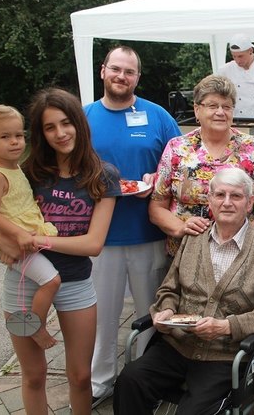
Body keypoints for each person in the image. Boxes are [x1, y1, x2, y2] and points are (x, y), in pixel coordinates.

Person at [0, 88, 120, 414]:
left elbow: (93, 245)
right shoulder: (28, 172)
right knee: (34, 375)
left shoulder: (103, 175)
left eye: (66, 123)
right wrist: (2, 242)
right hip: (23, 283)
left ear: (79, 124)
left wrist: (34, 240)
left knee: (81, 377)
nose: (60, 133)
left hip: (76, 284)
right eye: (49, 127)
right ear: (41, 133)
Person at [113, 168, 254, 413]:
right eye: (220, 195)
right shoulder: (194, 237)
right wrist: (164, 311)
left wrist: (227, 326)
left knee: (192, 411)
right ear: (210, 201)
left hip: (226, 355)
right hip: (177, 346)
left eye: (236, 196)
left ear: (250, 203)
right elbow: (169, 289)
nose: (227, 203)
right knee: (130, 380)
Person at [83, 45, 181, 406]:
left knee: (150, 315)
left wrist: (158, 179)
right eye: (116, 69)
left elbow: (179, 165)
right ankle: (101, 381)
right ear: (103, 71)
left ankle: (143, 382)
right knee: (101, 316)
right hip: (99, 237)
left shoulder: (157, 117)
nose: (122, 77)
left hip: (148, 234)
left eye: (130, 72)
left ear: (138, 77)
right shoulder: (83, 116)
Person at [149, 74, 254, 258]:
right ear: (196, 109)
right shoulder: (177, 148)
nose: (220, 112)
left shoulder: (253, 148)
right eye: (212, 106)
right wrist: (180, 227)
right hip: (185, 256)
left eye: (226, 106)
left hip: (240, 256)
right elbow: (156, 208)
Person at [0, 105, 61, 350]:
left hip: (24, 236)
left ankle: (31, 323)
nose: (15, 142)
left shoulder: (14, 168)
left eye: (19, 135)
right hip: (17, 240)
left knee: (42, 283)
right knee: (51, 281)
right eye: (5, 137)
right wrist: (18, 234)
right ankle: (36, 327)